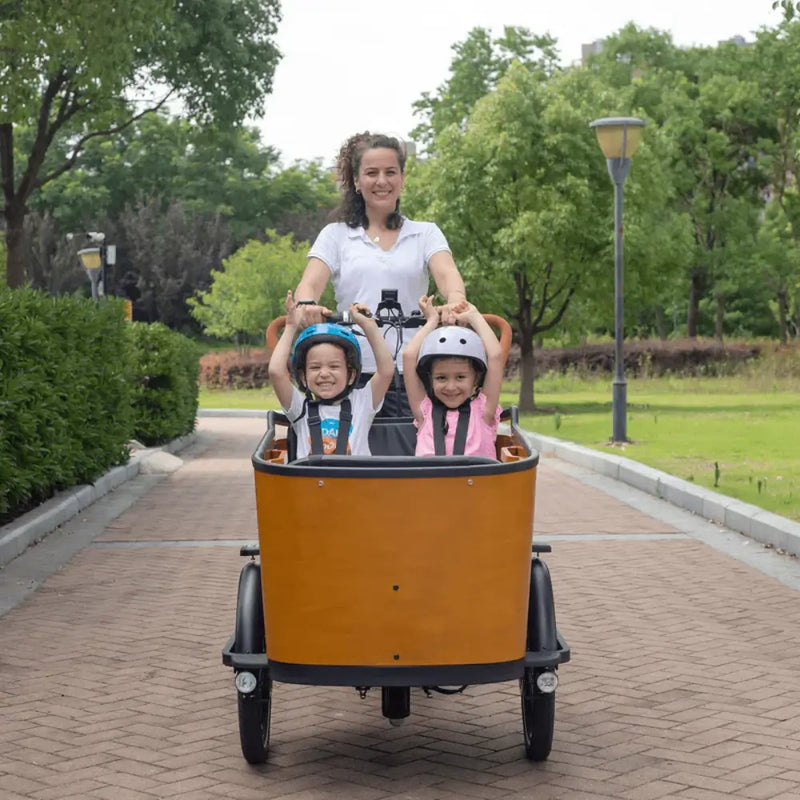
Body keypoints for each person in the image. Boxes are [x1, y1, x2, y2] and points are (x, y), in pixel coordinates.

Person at [293, 131, 468, 417]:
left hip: (415, 366)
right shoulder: (336, 235)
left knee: (422, 448)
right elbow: (309, 283)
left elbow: (448, 274)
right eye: (371, 173)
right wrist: (307, 305)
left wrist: (455, 302)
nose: (382, 181)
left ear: (402, 179)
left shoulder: (425, 233)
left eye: (391, 172)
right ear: (357, 182)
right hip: (355, 370)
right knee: (352, 453)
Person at [268, 291, 394, 458]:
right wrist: (291, 326)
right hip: (312, 483)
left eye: (334, 366)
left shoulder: (362, 402)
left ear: (351, 375)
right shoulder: (300, 408)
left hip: (357, 483)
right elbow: (276, 372)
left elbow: (386, 371)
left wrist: (369, 326)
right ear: (303, 377)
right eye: (315, 367)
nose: (324, 373)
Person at [402, 296, 503, 458]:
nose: (450, 387)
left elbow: (495, 355)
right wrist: (432, 321)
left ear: (476, 379)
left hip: (476, 483)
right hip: (430, 483)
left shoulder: (484, 411)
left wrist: (474, 316)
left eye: (460, 377)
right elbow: (408, 356)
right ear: (430, 380)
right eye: (441, 378)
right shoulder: (425, 412)